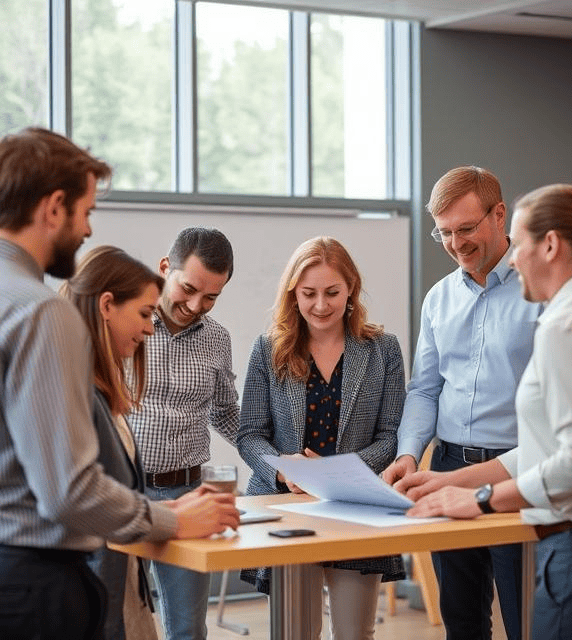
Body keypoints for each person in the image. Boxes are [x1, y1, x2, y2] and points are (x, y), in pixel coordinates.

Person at [0, 127, 239, 640]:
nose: (87, 231)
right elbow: (69, 491)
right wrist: (171, 521)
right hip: (32, 578)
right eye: (85, 212)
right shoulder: (41, 313)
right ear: (55, 206)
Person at [398, 183, 572, 640]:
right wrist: (451, 481)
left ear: (549, 245)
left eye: (519, 242)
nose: (513, 258)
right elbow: (548, 447)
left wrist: (481, 499)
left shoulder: (564, 325)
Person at [382, 166, 541, 640]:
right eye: (444, 233)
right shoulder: (438, 298)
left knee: (525, 620)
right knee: (462, 620)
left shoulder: (538, 291)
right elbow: (425, 389)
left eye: (466, 228)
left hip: (516, 471)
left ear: (499, 214)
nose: (456, 243)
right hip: (445, 463)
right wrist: (409, 453)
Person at [237, 236, 406, 640]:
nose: (320, 305)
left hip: (356, 509)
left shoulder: (384, 349)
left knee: (354, 634)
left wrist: (337, 473)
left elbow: (390, 436)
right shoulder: (268, 350)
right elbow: (250, 434)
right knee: (295, 633)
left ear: (351, 288)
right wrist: (285, 470)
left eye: (332, 292)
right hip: (286, 508)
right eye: (308, 293)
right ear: (293, 294)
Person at [128, 226, 240, 640]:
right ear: (164, 268)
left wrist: (277, 460)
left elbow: (227, 413)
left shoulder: (217, 339)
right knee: (119, 621)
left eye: (211, 297)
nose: (196, 305)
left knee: (189, 629)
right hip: (125, 492)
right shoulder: (126, 324)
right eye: (188, 288)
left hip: (189, 495)